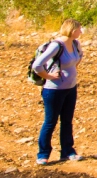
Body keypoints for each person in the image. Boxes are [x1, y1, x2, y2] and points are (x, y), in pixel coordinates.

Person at [32, 18, 84, 165]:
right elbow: (38, 65)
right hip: (54, 90)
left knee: (67, 121)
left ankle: (67, 151)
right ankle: (43, 154)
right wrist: (48, 76)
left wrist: (71, 71)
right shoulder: (57, 46)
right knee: (50, 121)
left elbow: (78, 58)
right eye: (79, 29)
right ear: (73, 31)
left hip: (70, 88)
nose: (81, 32)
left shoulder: (74, 44)